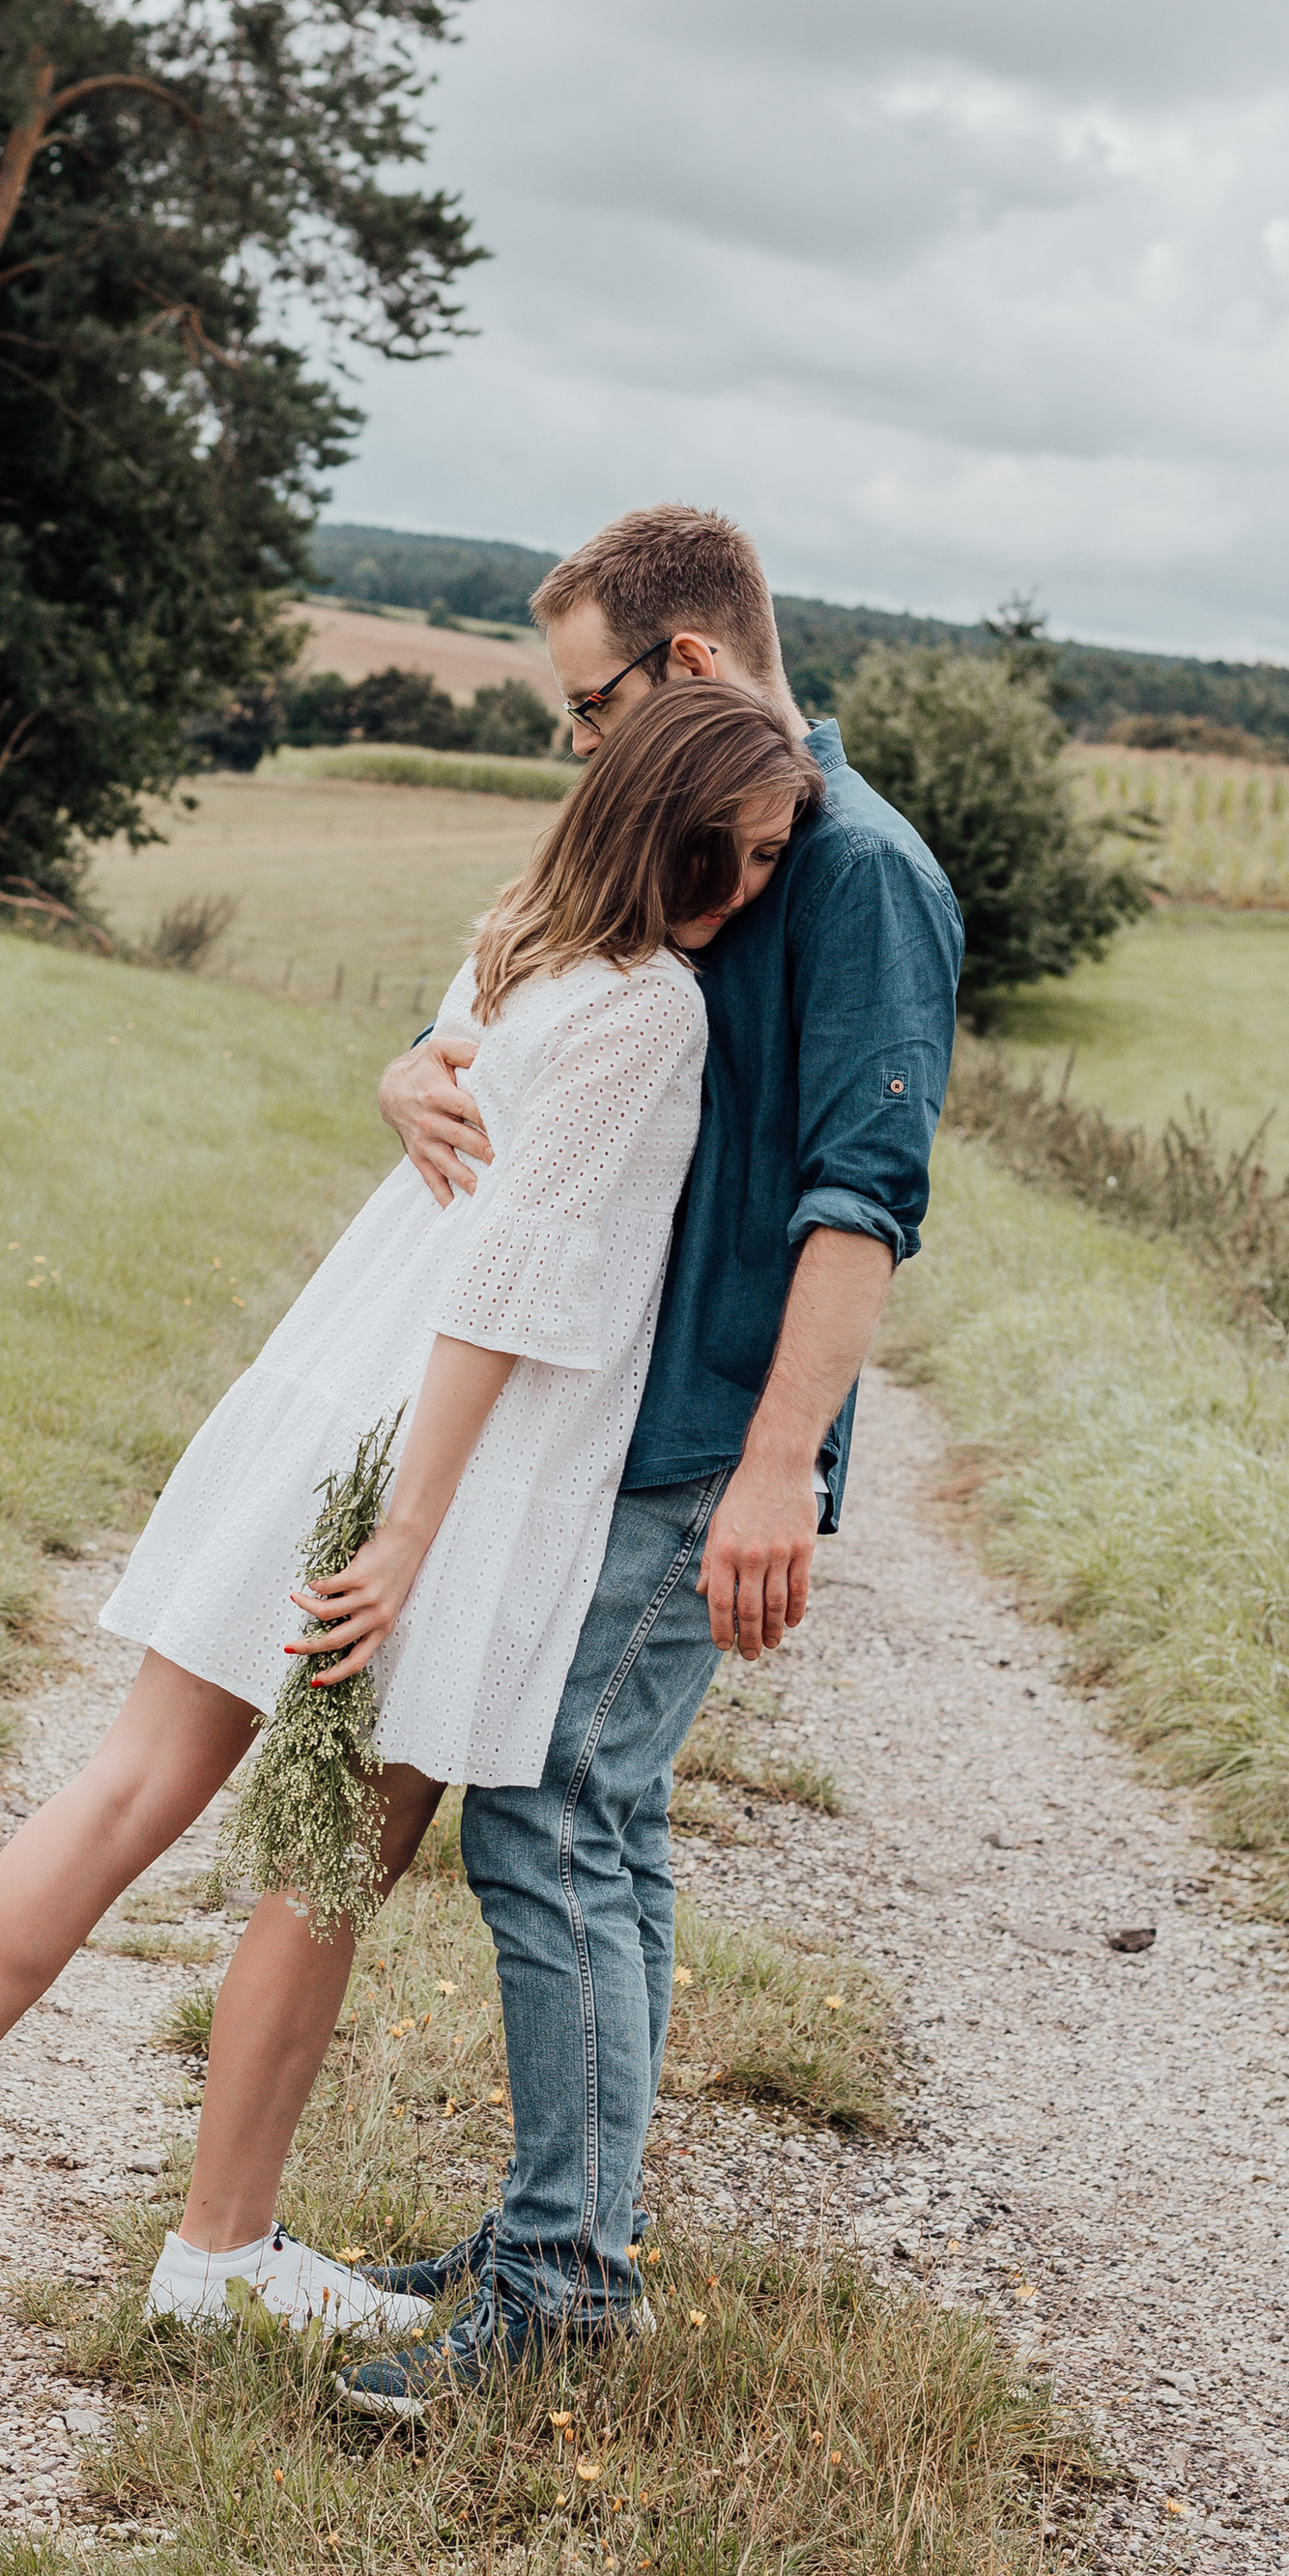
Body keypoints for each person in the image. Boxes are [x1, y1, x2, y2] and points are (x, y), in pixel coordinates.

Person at [0, 679, 825, 2336]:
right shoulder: (652, 1013)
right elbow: (509, 1277)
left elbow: (447, 1107)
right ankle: (220, 2248)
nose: (757, 889)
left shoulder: (521, 937)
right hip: (448, 1461)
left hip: (328, 1391)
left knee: (132, 1779)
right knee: (334, 1850)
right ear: (677, 837)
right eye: (745, 854)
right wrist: (412, 1531)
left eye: (774, 859)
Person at [332, 502, 962, 2420]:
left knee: (546, 1816)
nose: (575, 742)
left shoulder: (851, 875)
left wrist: (780, 1466)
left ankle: (561, 2285)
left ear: (685, 665)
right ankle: (562, 2230)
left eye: (585, 702)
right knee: (596, 1822)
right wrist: (410, 1069)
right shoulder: (721, 838)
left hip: (701, 1437)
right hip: (614, 1419)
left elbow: (861, 1198)